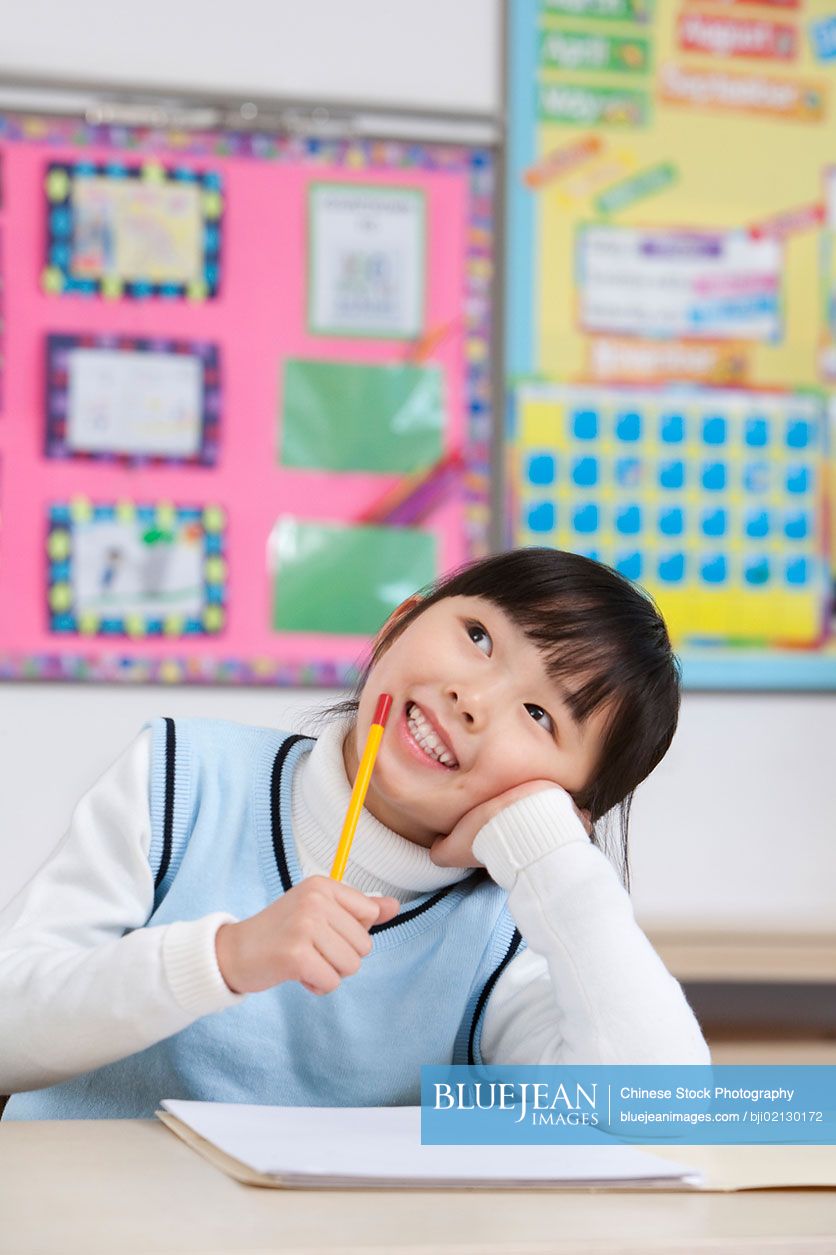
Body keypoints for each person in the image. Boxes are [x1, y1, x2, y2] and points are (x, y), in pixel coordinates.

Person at [0, 548, 709, 1119]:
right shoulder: (179, 776)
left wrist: (553, 854)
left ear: (564, 803)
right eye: (479, 636)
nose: (473, 699)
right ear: (400, 622)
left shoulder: (502, 939)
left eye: (539, 714)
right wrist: (224, 956)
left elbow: (661, 1109)